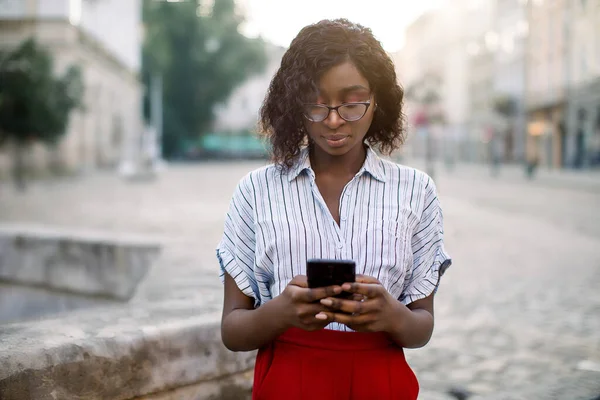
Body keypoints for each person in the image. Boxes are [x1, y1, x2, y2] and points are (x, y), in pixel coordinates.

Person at [216, 19, 452, 400]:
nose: (333, 120)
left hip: (381, 383)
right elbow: (232, 331)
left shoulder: (416, 191)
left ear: (379, 101)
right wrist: (281, 313)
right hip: (287, 384)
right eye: (315, 104)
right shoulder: (256, 191)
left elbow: (421, 328)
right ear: (294, 103)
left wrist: (391, 315)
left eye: (352, 102)